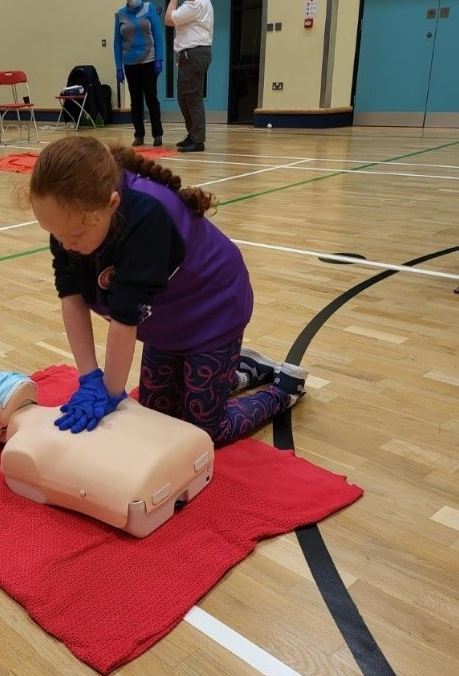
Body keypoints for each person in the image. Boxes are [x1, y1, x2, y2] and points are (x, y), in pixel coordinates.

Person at [26, 136, 308, 446]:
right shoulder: (72, 221)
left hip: (213, 311)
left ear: (111, 205)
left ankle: (284, 390)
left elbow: (124, 319)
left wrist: (110, 392)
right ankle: (242, 371)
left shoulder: (148, 217)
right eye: (54, 234)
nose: (64, 245)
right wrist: (90, 377)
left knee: (203, 429)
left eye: (74, 235)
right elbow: (72, 297)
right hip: (164, 321)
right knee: (157, 413)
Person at [0, 371, 214, 537]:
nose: (6, 380)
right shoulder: (24, 446)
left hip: (151, 489)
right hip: (193, 447)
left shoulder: (21, 448)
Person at [113, 0, 164, 148]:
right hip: (130, 63)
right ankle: (139, 134)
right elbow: (117, 42)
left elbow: (158, 34)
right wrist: (118, 67)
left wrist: (159, 58)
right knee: (135, 100)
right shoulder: (120, 14)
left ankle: (157, 134)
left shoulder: (149, 8)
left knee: (151, 97)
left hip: (149, 60)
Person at [165, 0, 213, 153]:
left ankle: (198, 141)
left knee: (192, 98)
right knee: (183, 97)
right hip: (191, 55)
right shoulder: (201, 3)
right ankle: (193, 135)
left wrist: (172, 0)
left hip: (193, 54)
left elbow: (168, 20)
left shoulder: (194, 5)